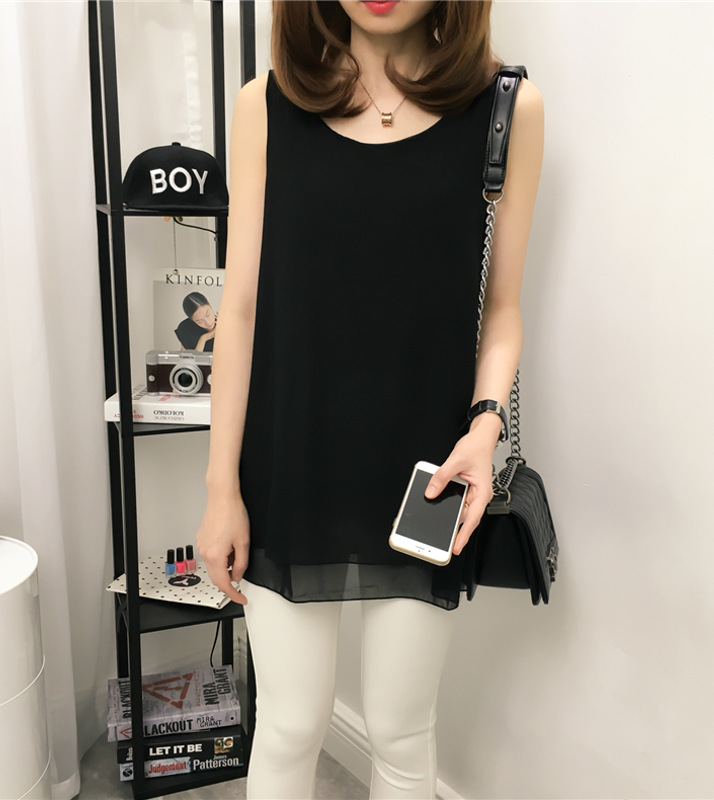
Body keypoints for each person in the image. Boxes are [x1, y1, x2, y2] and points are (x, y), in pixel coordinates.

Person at [195, 1, 544, 798]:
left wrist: (485, 429)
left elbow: (502, 309)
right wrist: (220, 490)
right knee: (288, 726)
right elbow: (239, 311)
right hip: (289, 462)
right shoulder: (265, 106)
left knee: (401, 732)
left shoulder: (508, 108)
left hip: (425, 475)